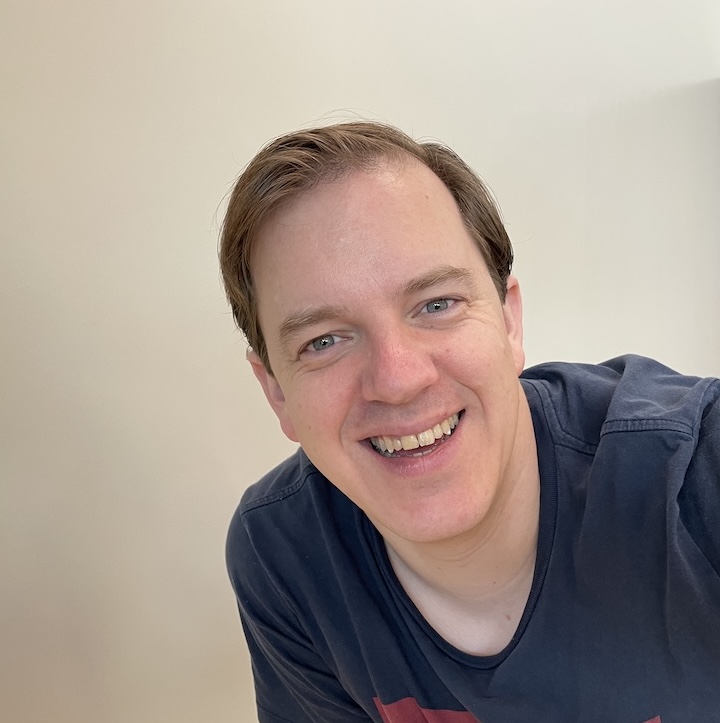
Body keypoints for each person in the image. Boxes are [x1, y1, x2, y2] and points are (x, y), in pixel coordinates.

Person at [220, 122, 720, 723]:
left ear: (509, 322)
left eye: (436, 305)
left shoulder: (697, 477)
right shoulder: (283, 552)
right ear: (275, 391)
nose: (398, 379)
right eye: (324, 341)